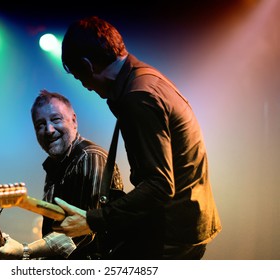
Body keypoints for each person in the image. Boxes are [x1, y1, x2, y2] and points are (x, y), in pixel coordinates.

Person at [52, 15, 222, 260]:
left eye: (81, 79)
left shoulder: (137, 97)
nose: (86, 87)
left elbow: (160, 186)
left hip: (172, 235)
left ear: (88, 65)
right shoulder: (146, 78)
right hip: (186, 221)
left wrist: (93, 220)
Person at [0, 89, 124, 260]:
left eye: (55, 119)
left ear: (74, 121)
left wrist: (24, 250)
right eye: (40, 125)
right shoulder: (55, 168)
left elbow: (82, 234)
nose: (49, 130)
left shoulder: (89, 157)